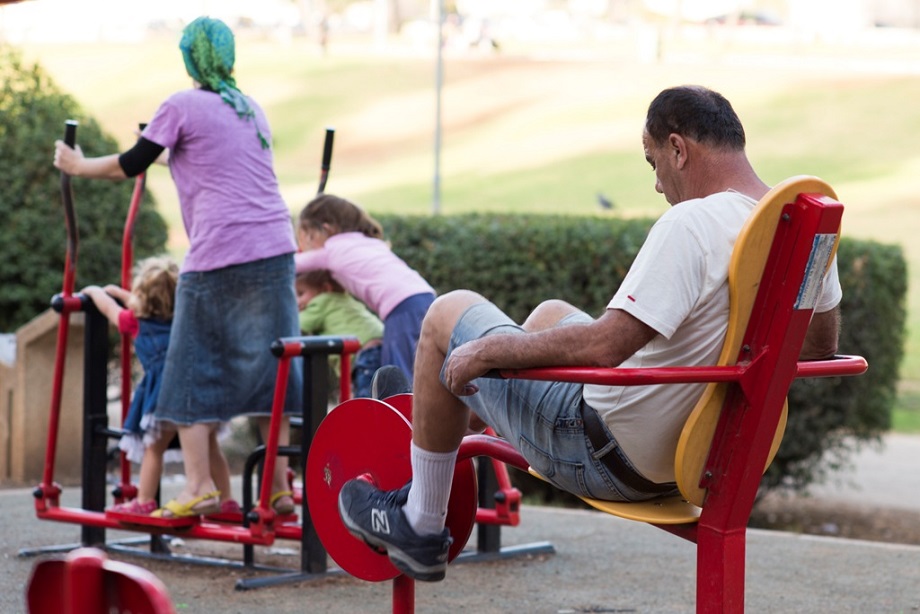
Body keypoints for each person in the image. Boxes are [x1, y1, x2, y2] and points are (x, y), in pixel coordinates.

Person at [337, 85, 843, 581]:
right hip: (698, 460)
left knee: (447, 316)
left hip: (604, 454)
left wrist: (491, 349)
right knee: (550, 314)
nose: (658, 184)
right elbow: (822, 347)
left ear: (677, 149)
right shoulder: (799, 222)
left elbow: (607, 346)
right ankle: (450, 413)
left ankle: (418, 524)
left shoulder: (691, 224)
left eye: (653, 163)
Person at [53, 16, 302, 519]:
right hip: (276, 249)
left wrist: (77, 166)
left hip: (219, 257)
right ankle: (277, 491)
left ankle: (199, 486)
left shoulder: (181, 104)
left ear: (189, 59)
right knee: (268, 368)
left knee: (189, 370)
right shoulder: (250, 108)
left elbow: (130, 163)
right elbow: (215, 161)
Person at [81, 256, 237, 516]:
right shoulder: (186, 321)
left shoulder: (136, 321)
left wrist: (95, 292)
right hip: (202, 390)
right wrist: (124, 292)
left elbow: (110, 310)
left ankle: (144, 500)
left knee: (154, 449)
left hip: (165, 397)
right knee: (210, 446)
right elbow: (153, 303)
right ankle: (228, 501)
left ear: (143, 297)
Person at [295, 194, 436, 382]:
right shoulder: (367, 242)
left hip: (401, 307)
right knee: (422, 367)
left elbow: (291, 265)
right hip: (425, 298)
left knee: (398, 375)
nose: (308, 248)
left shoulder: (332, 250)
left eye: (308, 239)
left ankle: (399, 411)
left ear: (326, 230)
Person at [295, 269, 384, 398]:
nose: (297, 302)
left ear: (326, 288)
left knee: (365, 400)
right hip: (379, 346)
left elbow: (296, 325)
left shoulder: (323, 301)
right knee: (377, 394)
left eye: (301, 294)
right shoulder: (344, 300)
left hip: (365, 352)